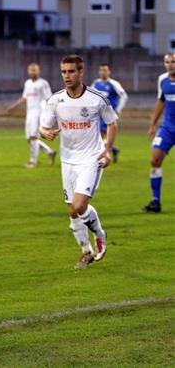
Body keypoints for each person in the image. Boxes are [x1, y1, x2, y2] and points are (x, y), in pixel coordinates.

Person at [40, 54, 118, 270]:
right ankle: (86, 251)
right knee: (72, 211)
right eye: (64, 71)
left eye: (71, 71)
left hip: (92, 158)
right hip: (68, 161)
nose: (67, 75)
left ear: (81, 72)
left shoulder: (97, 98)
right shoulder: (55, 100)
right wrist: (46, 133)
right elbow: (43, 127)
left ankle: (99, 234)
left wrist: (108, 150)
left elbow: (112, 123)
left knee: (79, 205)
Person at [7, 63, 56, 168]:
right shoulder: (27, 83)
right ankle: (50, 151)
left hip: (39, 113)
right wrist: (14, 107)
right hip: (29, 113)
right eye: (31, 70)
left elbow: (49, 99)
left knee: (33, 137)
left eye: (35, 70)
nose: (33, 72)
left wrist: (51, 114)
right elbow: (25, 98)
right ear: (28, 71)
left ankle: (32, 162)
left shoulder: (43, 83)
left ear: (39, 71)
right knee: (29, 139)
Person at [143, 53, 175, 213]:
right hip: (168, 128)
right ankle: (156, 201)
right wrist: (153, 124)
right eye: (167, 62)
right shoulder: (162, 80)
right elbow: (161, 101)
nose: (170, 65)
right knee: (155, 159)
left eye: (173, 62)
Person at [91, 63, 128, 163]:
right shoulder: (96, 83)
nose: (103, 72)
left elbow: (124, 96)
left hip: (109, 115)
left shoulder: (114, 84)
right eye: (101, 70)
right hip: (98, 114)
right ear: (99, 72)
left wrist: (118, 110)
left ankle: (101, 157)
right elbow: (91, 97)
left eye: (105, 70)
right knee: (98, 136)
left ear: (109, 72)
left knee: (100, 135)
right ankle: (113, 150)